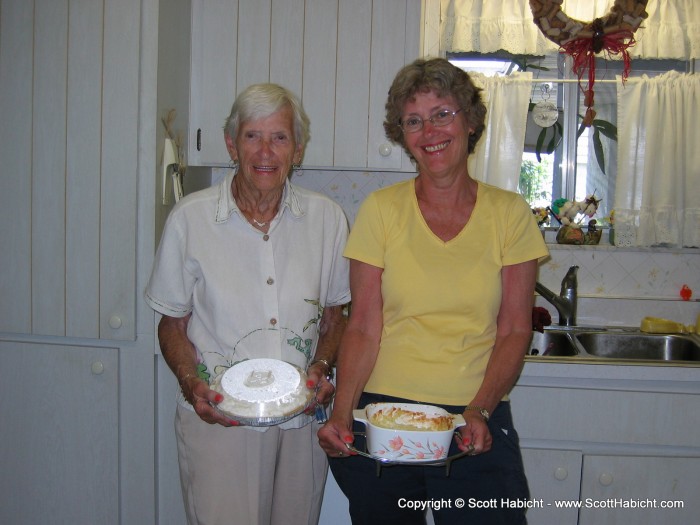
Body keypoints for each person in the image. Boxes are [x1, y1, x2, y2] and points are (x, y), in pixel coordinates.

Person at [317, 58, 548, 524]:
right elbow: (361, 323)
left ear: (470, 120)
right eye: (414, 121)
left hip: (473, 417)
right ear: (402, 135)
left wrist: (479, 410)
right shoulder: (381, 211)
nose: (430, 131)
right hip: (382, 418)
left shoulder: (509, 213)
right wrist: (341, 413)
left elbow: (514, 329)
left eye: (443, 113)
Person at [145, 83, 350, 525]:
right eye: (252, 136)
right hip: (222, 421)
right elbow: (172, 325)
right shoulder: (190, 220)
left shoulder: (327, 220)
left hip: (301, 423)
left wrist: (323, 366)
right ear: (231, 145)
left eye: (279, 138)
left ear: (297, 149)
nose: (265, 152)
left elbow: (335, 319)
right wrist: (190, 383)